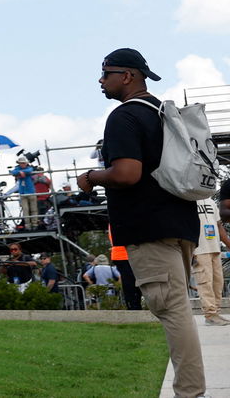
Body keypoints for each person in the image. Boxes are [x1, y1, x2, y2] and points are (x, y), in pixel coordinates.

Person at [77, 47, 203, 398]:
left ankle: (190, 393)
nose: (100, 81)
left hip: (149, 228)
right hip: (180, 222)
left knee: (172, 310)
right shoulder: (161, 112)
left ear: (127, 76)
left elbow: (128, 173)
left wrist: (91, 176)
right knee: (176, 306)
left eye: (106, 73)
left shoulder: (124, 117)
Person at [193, 193, 224, 325]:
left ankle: (216, 312)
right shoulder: (189, 200)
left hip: (215, 247)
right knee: (205, 282)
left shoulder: (211, 202)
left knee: (218, 282)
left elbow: (218, 225)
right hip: (199, 248)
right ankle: (210, 314)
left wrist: (227, 244)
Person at [11, 156, 38, 225]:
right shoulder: (18, 169)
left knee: (33, 209)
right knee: (25, 210)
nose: (22, 164)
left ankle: (34, 223)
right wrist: (20, 172)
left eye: (23, 163)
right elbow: (12, 172)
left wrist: (20, 172)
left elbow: (29, 170)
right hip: (23, 192)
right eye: (21, 163)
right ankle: (27, 224)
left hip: (30, 192)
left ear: (26, 163)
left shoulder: (28, 168)